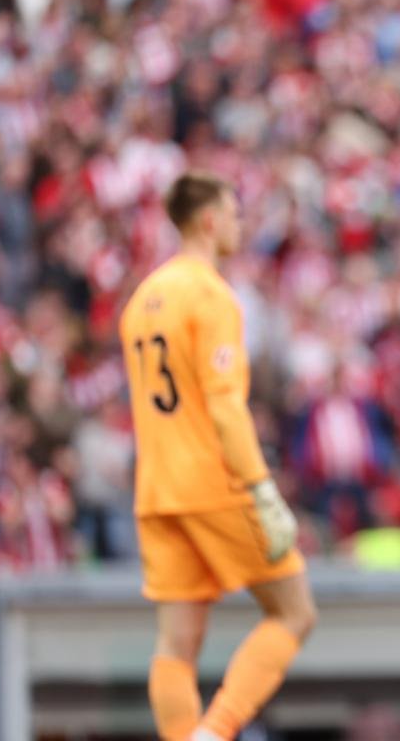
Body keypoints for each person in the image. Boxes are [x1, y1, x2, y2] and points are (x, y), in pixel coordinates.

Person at [120, 172, 317, 741]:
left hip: (157, 489)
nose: (239, 224)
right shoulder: (210, 295)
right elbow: (225, 406)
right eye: (234, 214)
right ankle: (216, 731)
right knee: (294, 611)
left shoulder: (140, 300)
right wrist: (262, 488)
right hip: (212, 481)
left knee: (175, 645)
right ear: (209, 220)